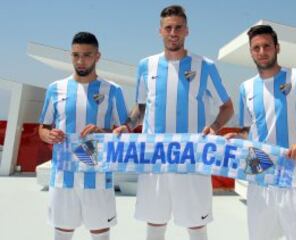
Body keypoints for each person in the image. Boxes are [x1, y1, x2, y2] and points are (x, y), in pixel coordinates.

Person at [114, 5, 234, 240]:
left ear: (187, 31)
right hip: (154, 158)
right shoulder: (145, 66)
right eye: (168, 28)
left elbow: (227, 107)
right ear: (160, 31)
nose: (173, 32)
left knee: (196, 225)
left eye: (178, 27)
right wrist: (127, 125)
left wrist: (215, 127)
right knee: (155, 223)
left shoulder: (205, 66)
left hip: (191, 158)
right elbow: (140, 107)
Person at [226, 25, 296, 240]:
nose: (262, 51)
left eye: (267, 46)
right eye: (256, 47)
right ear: (251, 52)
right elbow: (250, 132)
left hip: (293, 180)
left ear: (277, 48)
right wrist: (238, 138)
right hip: (260, 181)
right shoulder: (245, 88)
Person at [39, 32, 128, 240]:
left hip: (96, 175)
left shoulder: (113, 90)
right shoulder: (55, 88)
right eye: (75, 55)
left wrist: (102, 133)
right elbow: (42, 128)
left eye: (87, 55)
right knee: (62, 233)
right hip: (63, 175)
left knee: (99, 233)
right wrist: (49, 135)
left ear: (97, 56)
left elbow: (124, 132)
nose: (80, 60)